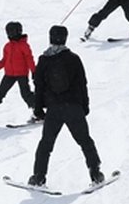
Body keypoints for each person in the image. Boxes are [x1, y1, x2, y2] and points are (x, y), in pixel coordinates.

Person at [28, 26, 104, 190]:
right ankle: (96, 174)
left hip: (54, 109)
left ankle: (39, 177)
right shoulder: (73, 58)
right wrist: (84, 106)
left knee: (46, 144)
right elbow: (82, 83)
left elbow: (38, 85)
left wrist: (38, 108)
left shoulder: (43, 60)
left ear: (50, 37)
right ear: (65, 38)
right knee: (85, 141)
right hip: (73, 107)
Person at [0, 21, 37, 127]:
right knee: (0, 92)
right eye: (8, 32)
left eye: (12, 31)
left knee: (26, 94)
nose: (10, 34)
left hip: (22, 74)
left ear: (18, 31)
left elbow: (30, 59)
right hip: (9, 74)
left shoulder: (24, 45)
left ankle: (37, 112)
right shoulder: (7, 46)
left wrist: (34, 72)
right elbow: (4, 61)